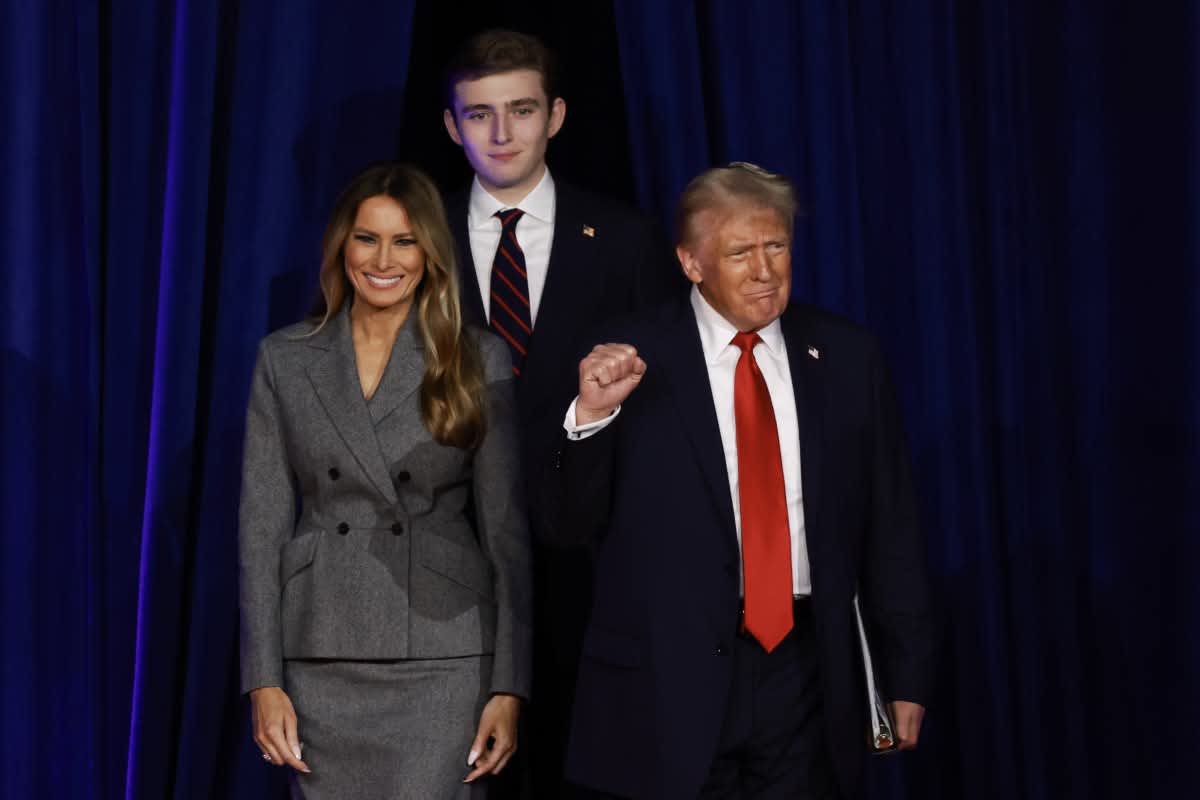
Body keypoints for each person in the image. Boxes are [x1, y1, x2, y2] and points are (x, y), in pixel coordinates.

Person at [545, 162, 936, 799]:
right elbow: (566, 523)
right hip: (667, 681)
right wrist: (590, 417)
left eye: (775, 245)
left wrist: (908, 672)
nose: (764, 270)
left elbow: (891, 526)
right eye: (739, 252)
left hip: (806, 676)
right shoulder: (626, 357)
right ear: (691, 262)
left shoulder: (847, 356)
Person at [238, 162, 532, 799]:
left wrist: (509, 684)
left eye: (404, 241)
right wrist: (263, 679)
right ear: (341, 244)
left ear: (429, 253)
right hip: (320, 649)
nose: (384, 259)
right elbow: (260, 531)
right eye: (366, 238)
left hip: (444, 653)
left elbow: (507, 532)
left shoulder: (476, 357)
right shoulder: (285, 359)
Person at [440, 28, 682, 797]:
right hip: (448, 574)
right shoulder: (415, 242)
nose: (502, 134)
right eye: (480, 115)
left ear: (557, 115)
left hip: (591, 567)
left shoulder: (626, 239)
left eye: (521, 110)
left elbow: (664, 410)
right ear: (452, 125)